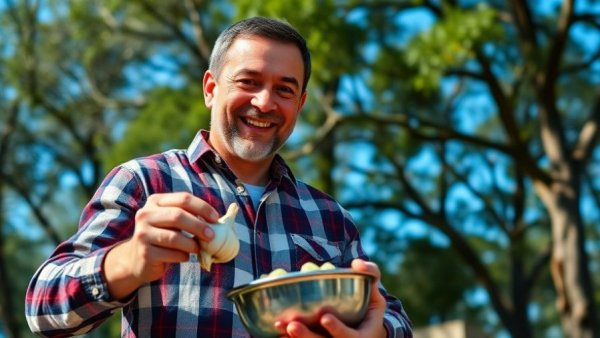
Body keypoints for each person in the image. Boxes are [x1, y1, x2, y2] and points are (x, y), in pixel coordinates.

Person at [25, 16, 413, 337]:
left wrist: (375, 332)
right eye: (248, 82)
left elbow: (393, 316)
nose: (264, 102)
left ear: (300, 104)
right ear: (211, 88)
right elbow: (42, 309)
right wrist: (128, 261)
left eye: (284, 89)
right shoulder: (145, 183)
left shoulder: (330, 217)